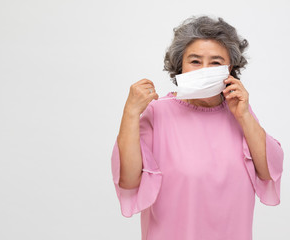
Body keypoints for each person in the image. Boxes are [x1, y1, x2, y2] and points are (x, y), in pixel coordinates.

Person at [110, 15, 284, 240]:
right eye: (195, 61)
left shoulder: (240, 113)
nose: (204, 69)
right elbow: (129, 180)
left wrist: (243, 115)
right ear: (179, 65)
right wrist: (131, 113)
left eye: (215, 62)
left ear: (230, 68)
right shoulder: (157, 113)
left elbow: (270, 171)